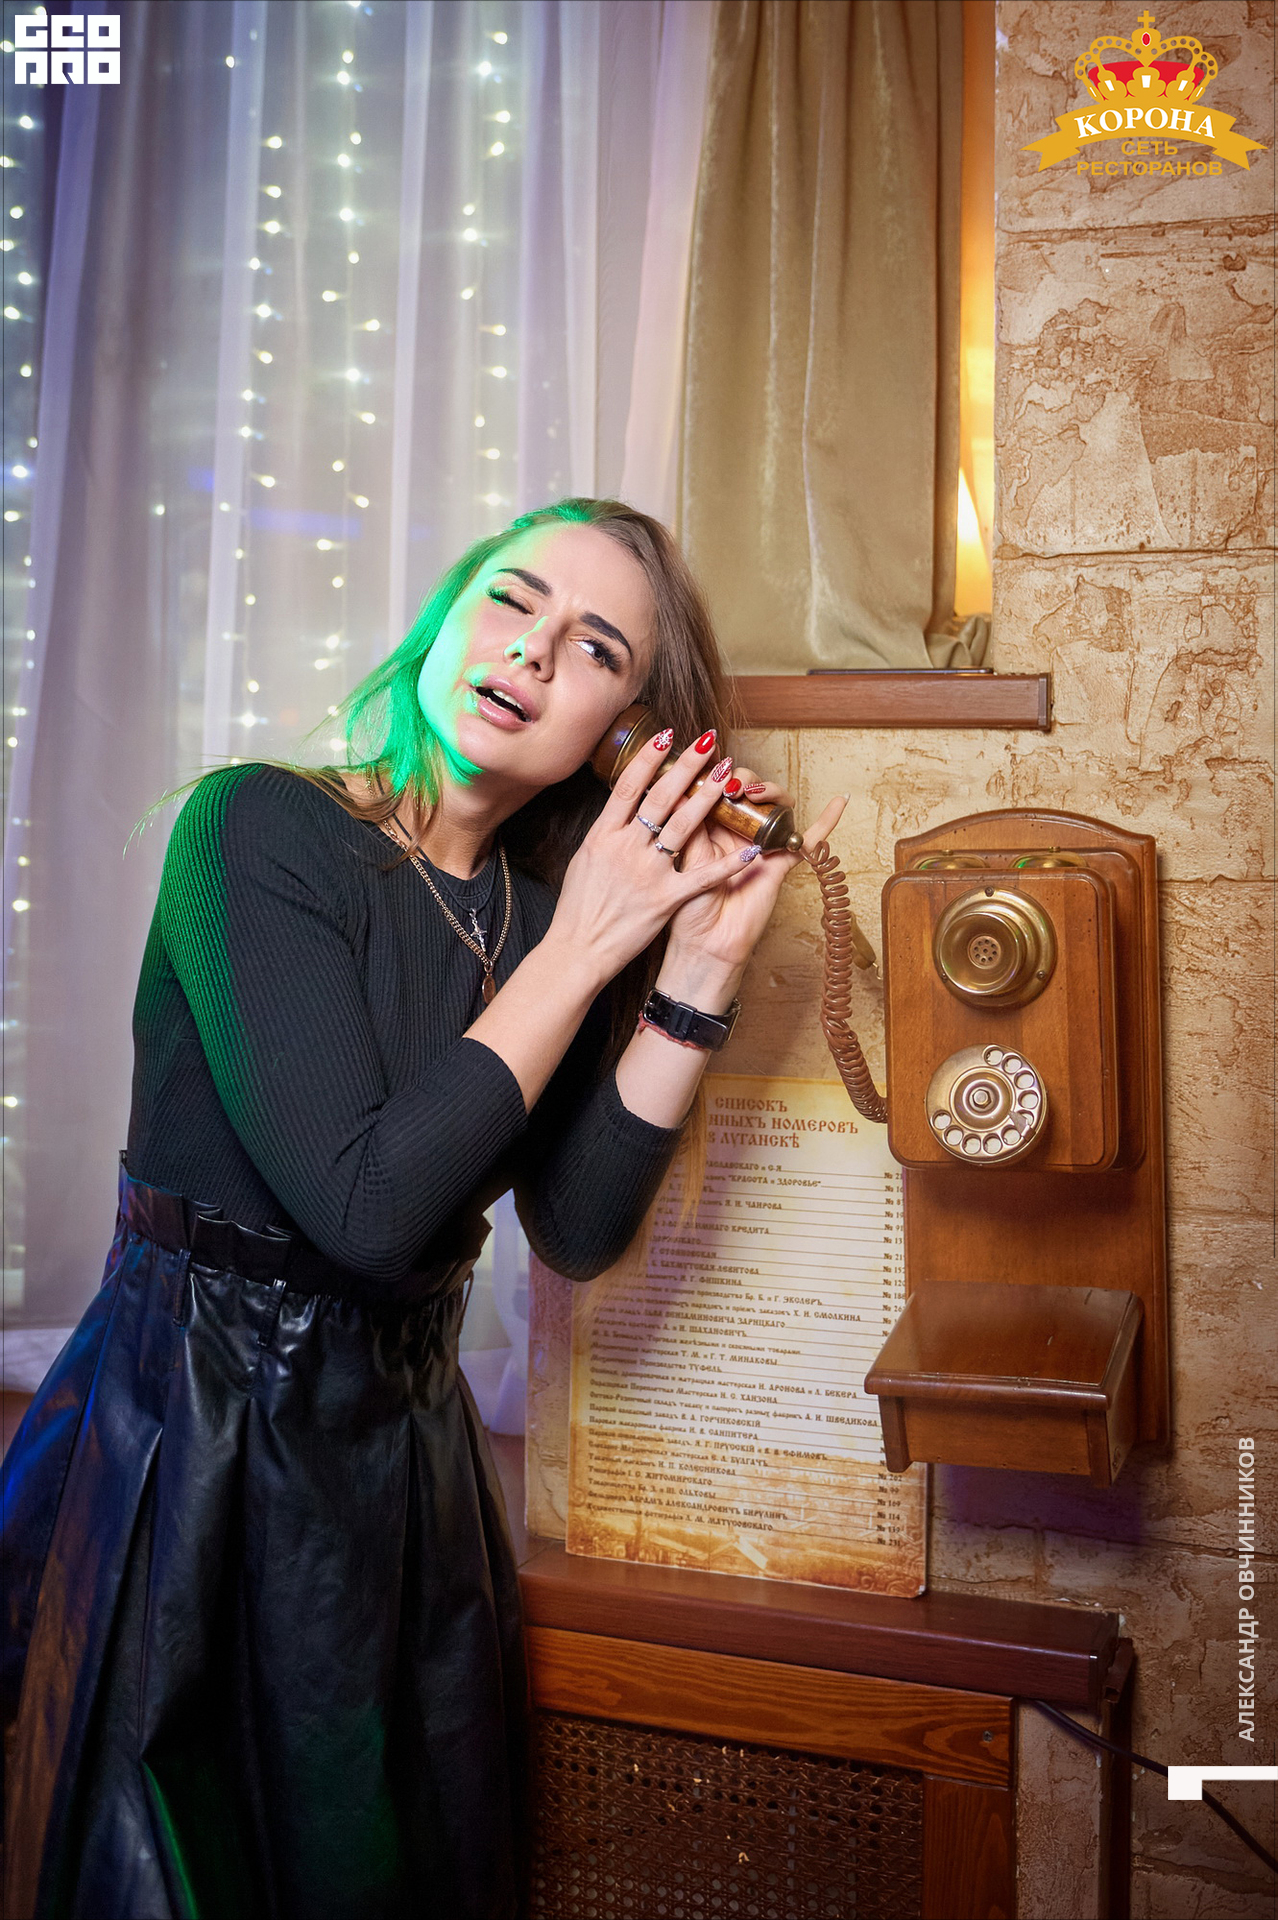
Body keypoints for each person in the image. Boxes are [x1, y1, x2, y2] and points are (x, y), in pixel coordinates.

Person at [1, 497, 843, 1920]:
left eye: (595, 649)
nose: (532, 652)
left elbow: (576, 1226)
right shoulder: (255, 825)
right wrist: (592, 938)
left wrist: (695, 970)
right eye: (511, 599)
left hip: (402, 1456)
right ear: (447, 615)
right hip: (191, 1431)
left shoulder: (540, 916)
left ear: (628, 735)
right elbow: (370, 1209)